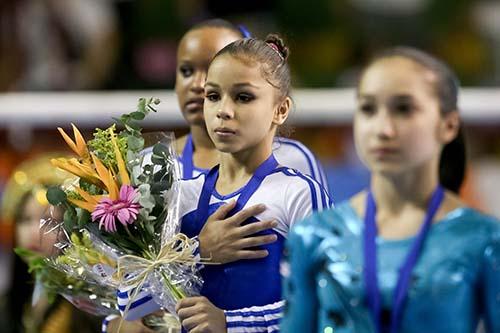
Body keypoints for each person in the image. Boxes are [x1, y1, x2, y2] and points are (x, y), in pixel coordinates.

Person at [281, 47, 500, 333]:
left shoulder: (482, 239)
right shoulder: (314, 235)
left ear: (448, 124)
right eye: (368, 109)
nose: (383, 129)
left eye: (404, 109)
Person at [171, 34, 331, 333]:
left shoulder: (297, 192)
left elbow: (327, 300)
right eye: (213, 96)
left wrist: (231, 323)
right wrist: (196, 251)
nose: (224, 110)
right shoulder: (182, 193)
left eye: (243, 97)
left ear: (280, 110)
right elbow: (139, 296)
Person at [171, 19, 329, 189]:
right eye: (186, 71)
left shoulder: (294, 158)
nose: (198, 84)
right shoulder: (152, 162)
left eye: (213, 66)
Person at [0, 155, 102, 333]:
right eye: (25, 220)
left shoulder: (92, 305)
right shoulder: (7, 301)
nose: (34, 233)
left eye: (49, 221)